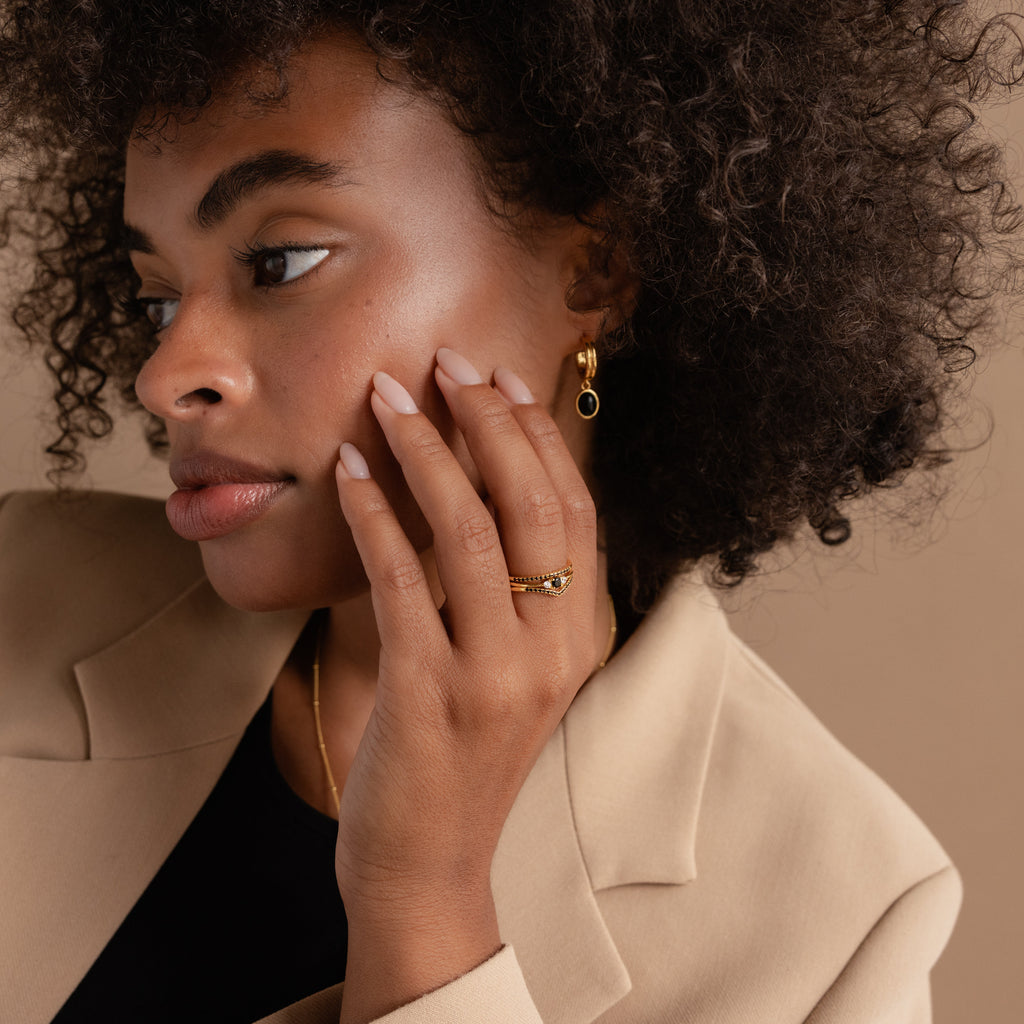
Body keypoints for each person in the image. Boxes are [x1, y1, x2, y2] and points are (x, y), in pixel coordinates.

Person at [0, 2, 1019, 1022]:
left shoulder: (835, 924)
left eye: (280, 262)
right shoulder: (21, 588)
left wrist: (425, 907)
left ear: (593, 271)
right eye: (157, 296)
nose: (167, 373)